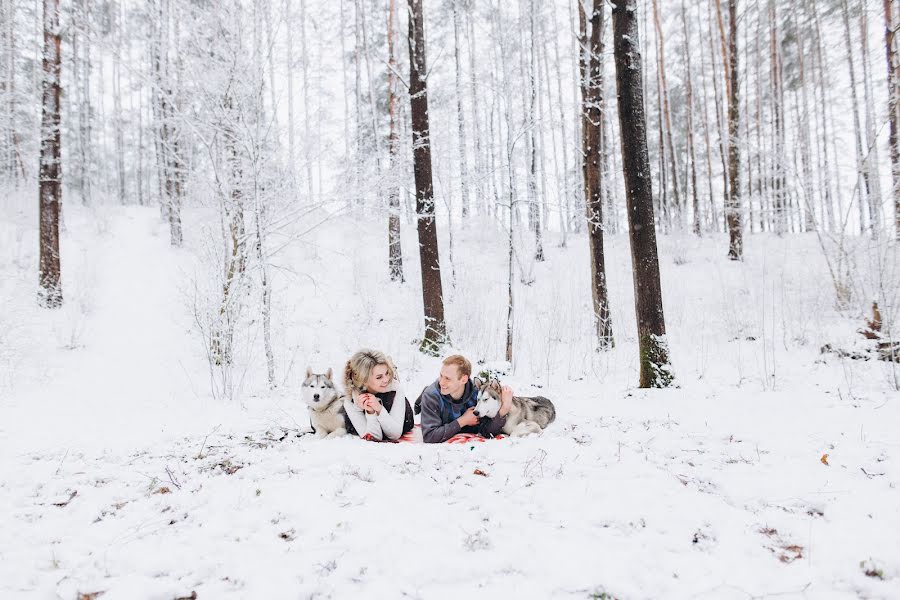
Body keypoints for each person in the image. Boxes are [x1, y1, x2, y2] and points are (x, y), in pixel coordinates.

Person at [417, 355, 512, 443]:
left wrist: (504, 409)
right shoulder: (431, 396)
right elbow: (429, 436)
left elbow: (488, 432)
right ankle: (419, 403)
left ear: (463, 380)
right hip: (435, 403)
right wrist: (462, 421)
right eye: (441, 376)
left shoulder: (478, 395)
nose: (441, 382)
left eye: (447, 378)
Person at [343, 349, 415, 442]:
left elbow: (394, 434)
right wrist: (371, 412)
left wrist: (379, 409)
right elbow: (373, 438)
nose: (386, 379)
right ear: (363, 380)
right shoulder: (351, 400)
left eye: (387, 373)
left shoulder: (395, 389)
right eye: (379, 377)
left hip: (404, 424)